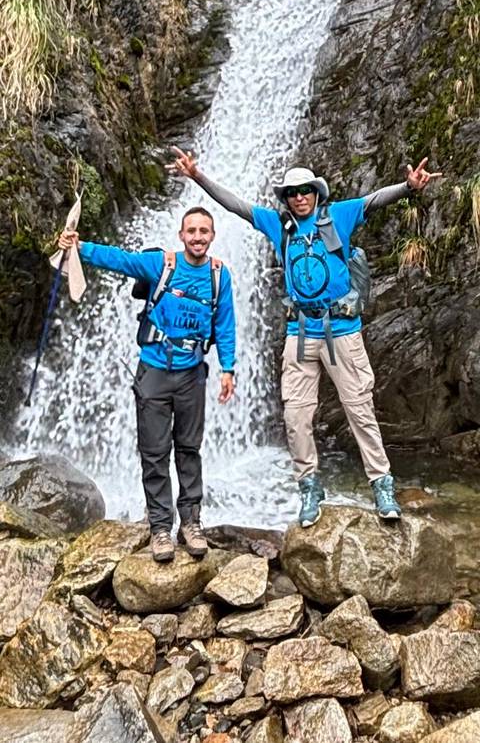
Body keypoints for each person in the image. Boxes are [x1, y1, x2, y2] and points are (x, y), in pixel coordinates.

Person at [168, 148, 441, 527]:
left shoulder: (338, 216)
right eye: (292, 192)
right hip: (299, 334)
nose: (299, 197)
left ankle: (382, 484)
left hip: (343, 332)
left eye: (305, 190)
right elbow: (236, 206)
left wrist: (409, 188)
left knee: (359, 411)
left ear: (316, 192)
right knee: (296, 417)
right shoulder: (277, 226)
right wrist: (198, 176)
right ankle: (309, 487)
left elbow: (374, 199)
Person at [58, 206, 235, 562]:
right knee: (154, 454)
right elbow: (119, 260)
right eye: (192, 231)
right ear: (181, 235)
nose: (198, 237)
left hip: (192, 375)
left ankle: (191, 522)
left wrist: (227, 368)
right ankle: (159, 529)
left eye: (204, 231)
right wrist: (79, 247)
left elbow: (226, 322)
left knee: (189, 450)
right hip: (153, 372)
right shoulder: (162, 265)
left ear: (212, 236)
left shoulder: (220, 275)